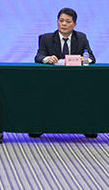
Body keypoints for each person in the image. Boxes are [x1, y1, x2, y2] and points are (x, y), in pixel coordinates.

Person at [32, 7, 96, 139]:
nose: (64, 24)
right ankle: (40, 126)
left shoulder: (81, 38)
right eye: (61, 21)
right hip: (52, 80)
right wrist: (47, 59)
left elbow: (91, 57)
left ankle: (86, 127)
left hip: (76, 80)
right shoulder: (47, 38)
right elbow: (38, 56)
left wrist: (85, 60)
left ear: (74, 24)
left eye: (68, 21)